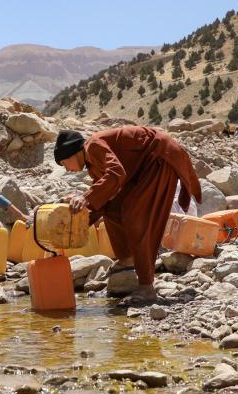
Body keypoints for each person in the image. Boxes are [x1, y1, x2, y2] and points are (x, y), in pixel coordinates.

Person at [53, 126, 201, 305]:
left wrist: (85, 197)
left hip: (159, 157)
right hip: (143, 167)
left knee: (136, 217)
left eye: (63, 164)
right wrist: (77, 224)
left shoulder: (93, 147)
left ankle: (147, 287)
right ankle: (128, 258)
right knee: (111, 208)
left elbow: (116, 173)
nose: (67, 170)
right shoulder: (92, 164)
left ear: (72, 153)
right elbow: (105, 196)